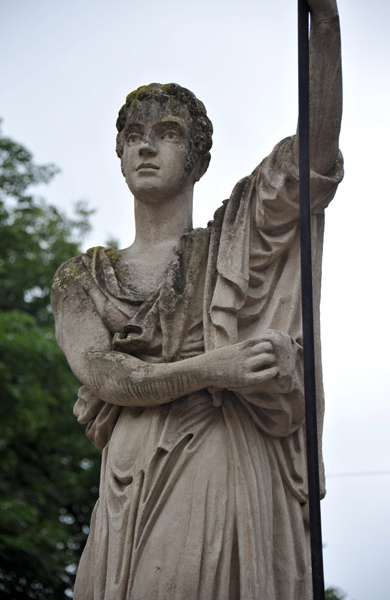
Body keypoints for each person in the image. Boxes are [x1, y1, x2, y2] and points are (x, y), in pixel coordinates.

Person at [51, 1, 343, 597]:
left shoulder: (235, 241)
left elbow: (312, 159)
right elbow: (108, 376)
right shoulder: (80, 279)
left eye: (167, 133)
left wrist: (325, 30)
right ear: (120, 156)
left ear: (197, 156)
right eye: (133, 136)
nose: (146, 148)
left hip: (218, 457)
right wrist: (221, 367)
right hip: (128, 475)